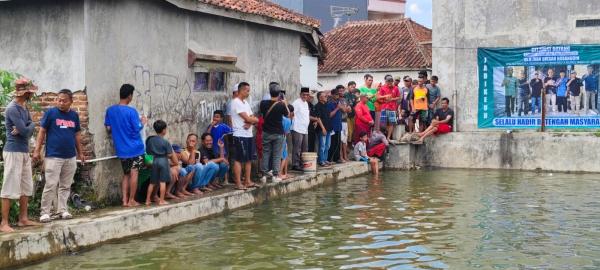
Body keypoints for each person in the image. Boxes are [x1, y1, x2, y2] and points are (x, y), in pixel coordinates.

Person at [33, 89, 85, 222]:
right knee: (50, 184)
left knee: (65, 185)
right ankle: (45, 212)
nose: (61, 103)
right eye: (59, 100)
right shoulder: (50, 113)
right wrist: (36, 151)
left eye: (64, 101)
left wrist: (81, 153)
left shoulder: (74, 116)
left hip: (70, 156)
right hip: (53, 156)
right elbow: (42, 132)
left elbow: (77, 135)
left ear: (71, 102)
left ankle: (63, 210)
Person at [0, 78, 38, 232]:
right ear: (25, 92)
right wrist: (28, 127)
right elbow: (25, 131)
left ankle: (23, 219)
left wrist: (30, 125)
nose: (31, 95)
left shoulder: (24, 107)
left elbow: (29, 128)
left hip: (23, 150)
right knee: (9, 186)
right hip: (13, 150)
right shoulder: (12, 108)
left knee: (25, 185)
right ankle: (4, 223)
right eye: (30, 92)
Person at [104, 84, 146, 207]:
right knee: (134, 173)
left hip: (121, 149)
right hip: (135, 149)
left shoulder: (110, 110)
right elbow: (137, 128)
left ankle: (124, 200)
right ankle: (132, 200)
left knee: (126, 174)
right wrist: (142, 122)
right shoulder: (131, 111)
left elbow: (108, 127)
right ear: (129, 96)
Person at [231, 82, 259, 190]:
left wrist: (252, 121)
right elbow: (248, 118)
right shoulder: (236, 102)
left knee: (248, 159)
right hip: (239, 134)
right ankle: (238, 183)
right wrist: (252, 120)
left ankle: (247, 181)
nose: (248, 92)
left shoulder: (245, 103)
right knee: (239, 159)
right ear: (241, 90)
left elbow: (251, 117)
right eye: (247, 90)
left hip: (248, 134)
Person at [259, 85, 289, 183]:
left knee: (265, 153)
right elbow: (288, 114)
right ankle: (275, 176)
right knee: (277, 154)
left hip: (266, 132)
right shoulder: (281, 105)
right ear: (279, 94)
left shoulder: (263, 103)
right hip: (278, 133)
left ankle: (263, 175)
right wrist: (285, 103)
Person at [144, 120, 178, 206]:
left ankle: (147, 200)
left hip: (153, 161)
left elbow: (148, 153)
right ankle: (161, 200)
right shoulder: (165, 142)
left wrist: (148, 164)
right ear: (164, 130)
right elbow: (170, 154)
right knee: (162, 182)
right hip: (163, 161)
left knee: (152, 182)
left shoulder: (150, 140)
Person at [291, 88, 311, 171]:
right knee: (297, 147)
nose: (305, 96)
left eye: (307, 95)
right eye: (304, 94)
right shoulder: (296, 103)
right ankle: (295, 164)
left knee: (305, 148)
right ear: (300, 94)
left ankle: (302, 164)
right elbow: (291, 114)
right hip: (297, 128)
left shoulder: (306, 103)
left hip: (305, 129)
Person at [377, 75, 400, 140]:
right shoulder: (382, 88)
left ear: (392, 81)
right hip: (384, 107)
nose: (389, 83)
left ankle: (388, 137)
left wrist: (392, 99)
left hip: (392, 108)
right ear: (386, 81)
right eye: (388, 82)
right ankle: (383, 136)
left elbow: (399, 97)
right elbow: (378, 97)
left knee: (391, 123)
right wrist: (385, 96)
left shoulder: (395, 88)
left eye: (391, 82)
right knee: (382, 123)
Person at [312, 91, 332, 167]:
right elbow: (318, 118)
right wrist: (323, 128)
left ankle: (325, 159)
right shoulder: (317, 106)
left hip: (328, 128)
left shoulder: (326, 105)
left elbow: (329, 115)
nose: (326, 97)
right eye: (325, 96)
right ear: (320, 98)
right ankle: (321, 161)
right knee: (322, 146)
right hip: (321, 129)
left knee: (328, 145)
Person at [327, 87, 345, 164]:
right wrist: (337, 108)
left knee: (338, 143)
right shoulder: (329, 104)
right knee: (332, 143)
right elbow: (330, 115)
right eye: (336, 95)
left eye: (338, 94)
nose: (337, 96)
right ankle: (330, 159)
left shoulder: (338, 103)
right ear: (332, 95)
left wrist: (341, 107)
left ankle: (336, 158)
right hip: (333, 126)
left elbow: (344, 110)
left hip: (338, 126)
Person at [279, 105, 293, 179]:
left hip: (278, 137)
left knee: (281, 156)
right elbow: (287, 132)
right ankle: (280, 173)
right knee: (284, 157)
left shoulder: (280, 118)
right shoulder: (288, 120)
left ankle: (284, 173)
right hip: (283, 138)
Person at [345, 81, 359, 145]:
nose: (353, 88)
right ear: (348, 87)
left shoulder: (354, 96)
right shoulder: (345, 95)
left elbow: (355, 105)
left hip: (353, 115)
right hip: (347, 115)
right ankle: (348, 144)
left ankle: (351, 143)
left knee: (353, 130)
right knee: (349, 131)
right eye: (351, 87)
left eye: (354, 87)